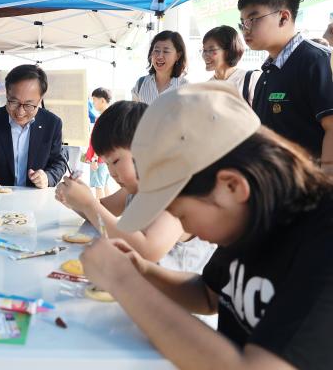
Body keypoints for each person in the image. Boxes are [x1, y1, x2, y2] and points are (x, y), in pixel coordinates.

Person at [81, 81, 333, 370]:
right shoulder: (249, 216)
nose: (185, 226)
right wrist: (142, 269)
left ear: (232, 185)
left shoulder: (322, 236)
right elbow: (209, 295)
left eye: (182, 214)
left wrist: (122, 281)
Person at [56, 101, 215, 272]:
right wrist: (74, 200)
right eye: (107, 164)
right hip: (142, 283)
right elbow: (101, 212)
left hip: (178, 294)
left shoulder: (175, 195)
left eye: (115, 161)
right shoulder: (135, 189)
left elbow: (147, 250)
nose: (112, 172)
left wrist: (88, 204)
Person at [237, 0, 333, 173]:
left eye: (252, 20)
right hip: (277, 187)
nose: (245, 29)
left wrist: (326, 184)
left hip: (310, 190)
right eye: (242, 23)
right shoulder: (267, 72)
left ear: (283, 17)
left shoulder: (317, 61)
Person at [0, 64, 67, 189]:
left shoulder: (52, 124)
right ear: (7, 94)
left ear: (40, 99)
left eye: (29, 105)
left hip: (34, 200)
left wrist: (47, 177)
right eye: (13, 102)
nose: (20, 112)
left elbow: (58, 161)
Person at [201, 25, 261, 105]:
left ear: (228, 51)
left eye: (211, 50)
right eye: (204, 50)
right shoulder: (206, 87)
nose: (205, 55)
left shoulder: (250, 80)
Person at [131, 30, 188, 104]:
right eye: (156, 50)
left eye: (166, 51)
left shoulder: (185, 87)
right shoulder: (140, 84)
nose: (160, 56)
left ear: (178, 56)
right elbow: (134, 114)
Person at [85, 87, 112, 199]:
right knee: (104, 184)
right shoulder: (111, 116)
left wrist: (94, 159)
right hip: (106, 158)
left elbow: (99, 140)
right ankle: (110, 210)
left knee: (98, 186)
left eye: (94, 100)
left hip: (99, 159)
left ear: (102, 100)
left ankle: (99, 213)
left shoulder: (101, 118)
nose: (93, 103)